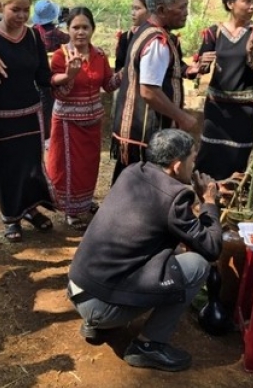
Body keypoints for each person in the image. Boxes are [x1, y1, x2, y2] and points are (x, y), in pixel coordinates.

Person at [68, 129, 222, 372]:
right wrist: (209, 203)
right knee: (197, 265)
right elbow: (212, 248)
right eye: (193, 159)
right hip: (100, 307)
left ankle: (97, 324)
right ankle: (148, 345)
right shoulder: (176, 196)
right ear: (177, 164)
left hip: (78, 288)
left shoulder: (132, 171)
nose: (195, 166)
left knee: (157, 252)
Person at [0, 0, 76, 243]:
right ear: (0, 7)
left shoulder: (33, 36)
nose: (21, 16)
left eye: (25, 10)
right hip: (1, 114)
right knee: (7, 166)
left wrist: (66, 77)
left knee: (31, 166)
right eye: (14, 9)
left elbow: (43, 76)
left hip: (31, 111)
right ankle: (11, 217)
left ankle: (30, 209)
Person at [111, 0, 196, 183]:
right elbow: (148, 91)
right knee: (142, 189)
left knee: (127, 184)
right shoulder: (157, 42)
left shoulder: (145, 31)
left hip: (133, 132)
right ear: (161, 9)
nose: (186, 12)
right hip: (146, 134)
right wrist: (181, 117)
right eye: (182, 6)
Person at [46, 7, 121, 230]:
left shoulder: (99, 55)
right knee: (68, 167)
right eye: (75, 27)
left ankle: (85, 203)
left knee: (89, 165)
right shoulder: (61, 55)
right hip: (68, 124)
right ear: (67, 30)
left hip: (93, 121)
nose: (80, 32)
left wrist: (125, 73)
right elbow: (57, 92)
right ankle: (70, 210)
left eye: (85, 27)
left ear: (92, 29)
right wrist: (70, 75)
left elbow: (108, 86)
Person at [191, 0, 253, 180]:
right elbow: (201, 67)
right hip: (216, 108)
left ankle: (230, 198)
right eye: (247, 1)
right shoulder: (213, 31)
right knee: (209, 152)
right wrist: (202, 65)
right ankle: (205, 194)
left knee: (238, 155)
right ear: (231, 3)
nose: (252, 6)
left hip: (245, 110)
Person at [33, 0, 69, 140]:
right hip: (52, 72)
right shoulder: (56, 33)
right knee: (49, 106)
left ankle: (42, 132)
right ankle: (49, 134)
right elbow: (69, 39)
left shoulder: (34, 31)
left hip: (37, 74)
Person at [114, 0, 148, 72]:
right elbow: (119, 66)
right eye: (132, 8)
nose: (133, 13)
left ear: (150, 10)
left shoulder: (163, 39)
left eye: (137, 8)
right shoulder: (126, 37)